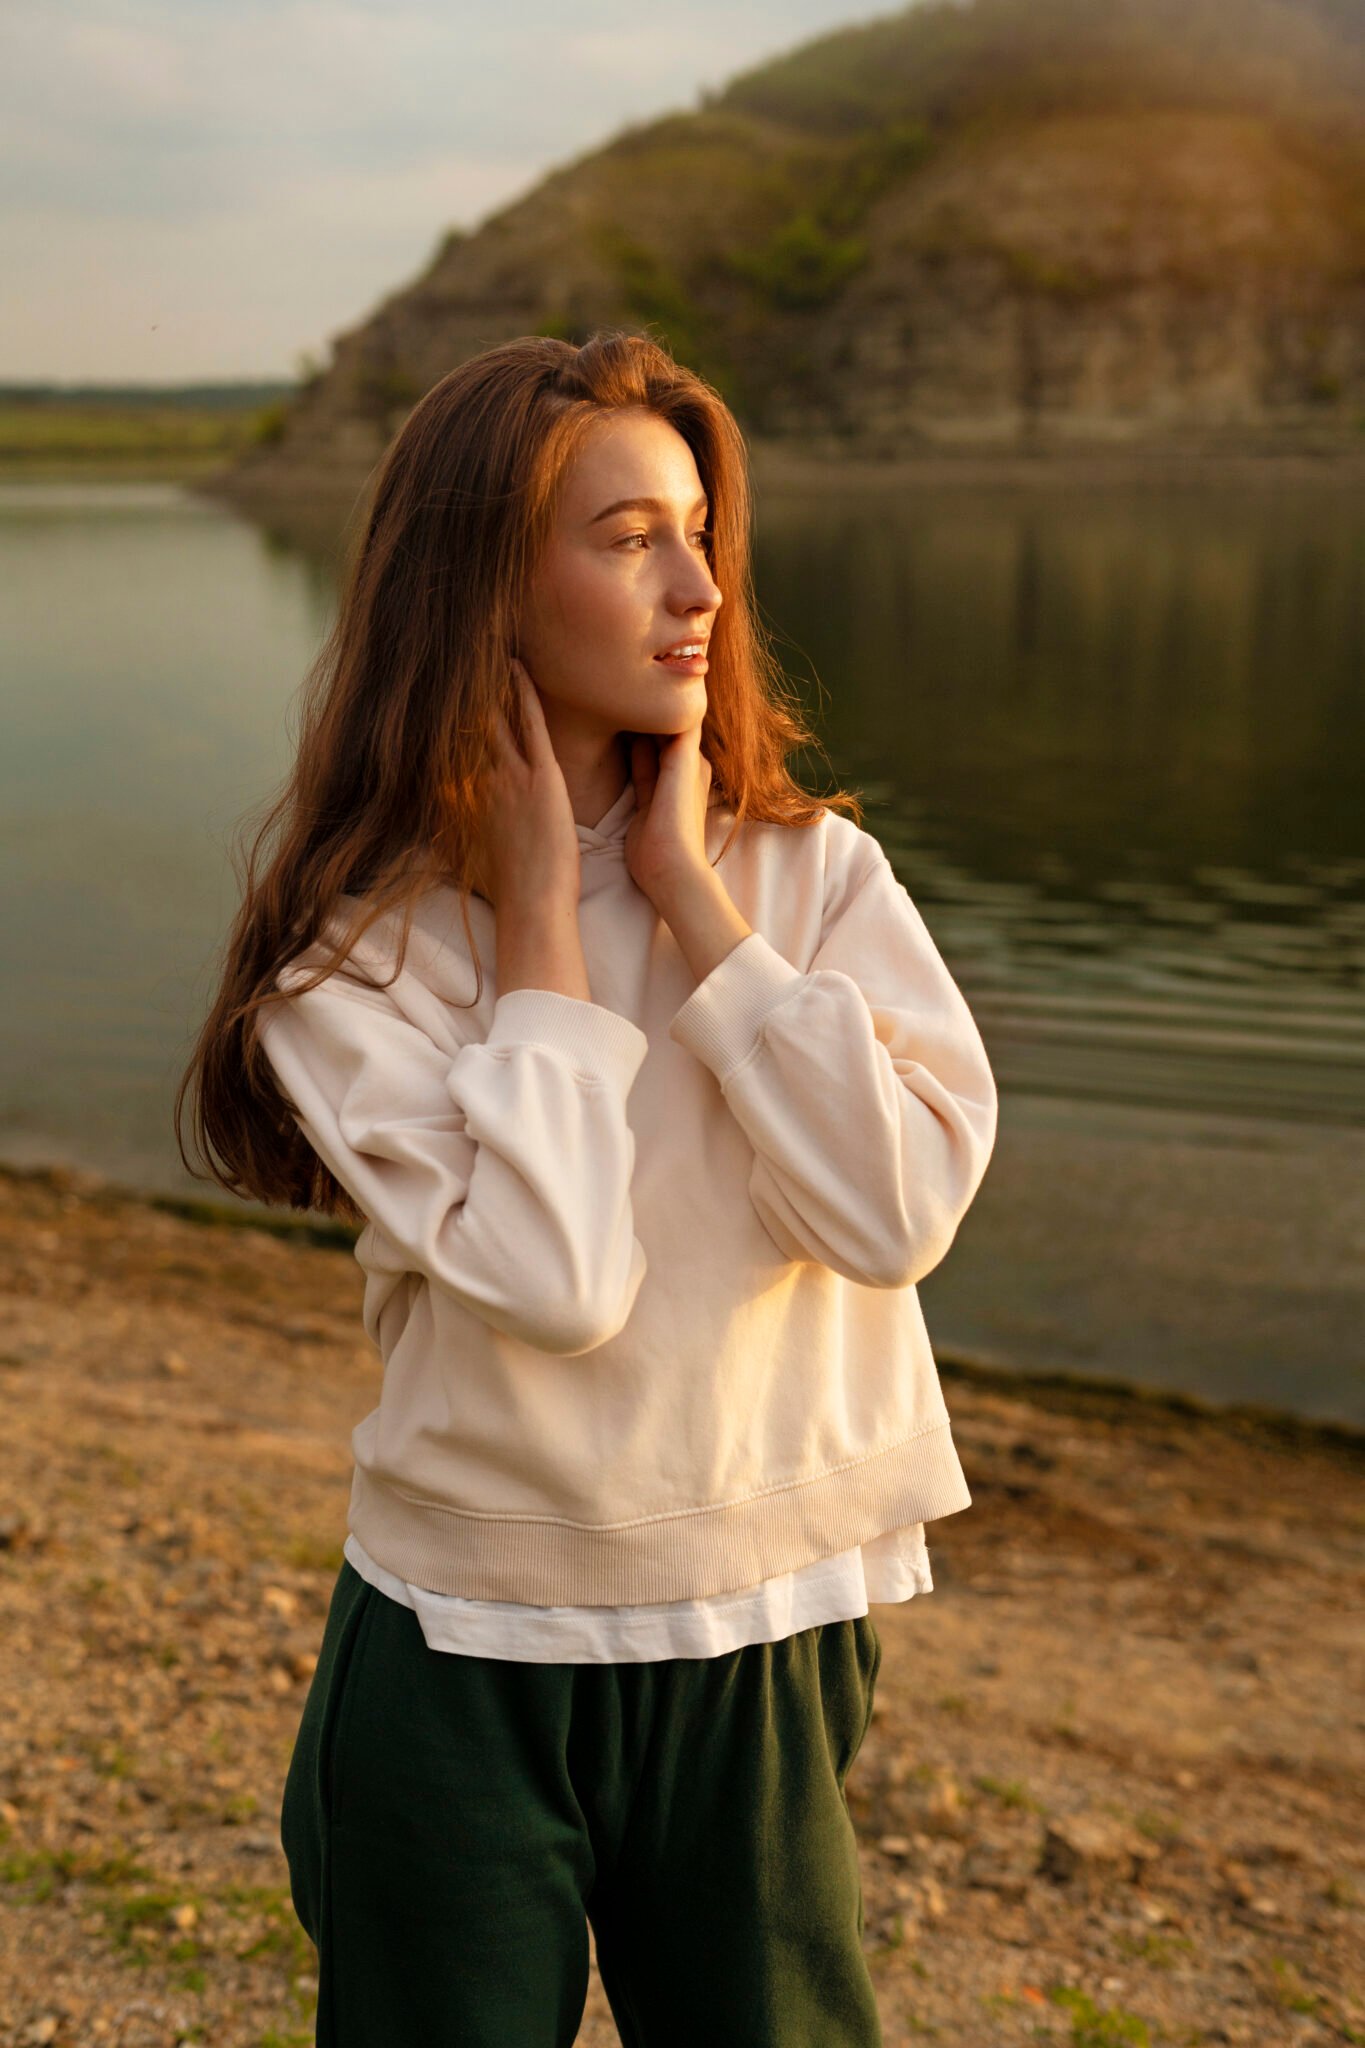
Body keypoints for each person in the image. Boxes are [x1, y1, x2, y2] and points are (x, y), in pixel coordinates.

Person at [175, 327, 998, 2046]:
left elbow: (894, 1212)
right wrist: (547, 936)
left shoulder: (811, 876)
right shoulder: (361, 957)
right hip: (462, 1652)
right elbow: (557, 1283)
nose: (696, 586)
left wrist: (697, 911)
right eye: (627, 538)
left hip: (764, 1628)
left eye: (700, 530)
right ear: (482, 588)